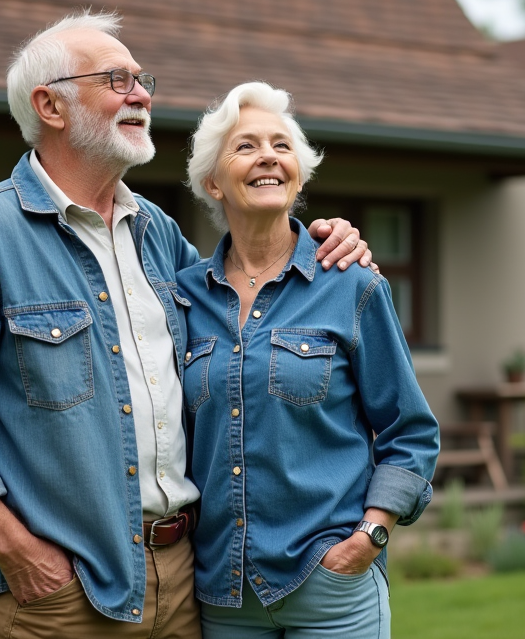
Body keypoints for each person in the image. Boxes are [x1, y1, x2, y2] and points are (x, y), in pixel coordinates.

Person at [0, 12, 373, 639]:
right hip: (54, 594)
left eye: (142, 79)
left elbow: (246, 317)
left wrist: (323, 242)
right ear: (50, 105)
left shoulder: (158, 236)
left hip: (181, 581)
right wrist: (16, 552)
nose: (142, 94)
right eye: (117, 79)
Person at [177, 82, 440, 639]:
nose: (268, 155)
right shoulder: (181, 298)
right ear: (212, 182)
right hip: (224, 593)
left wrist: (371, 536)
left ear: (298, 172)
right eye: (245, 146)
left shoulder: (352, 284)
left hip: (329, 584)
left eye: (281, 145)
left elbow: (410, 431)